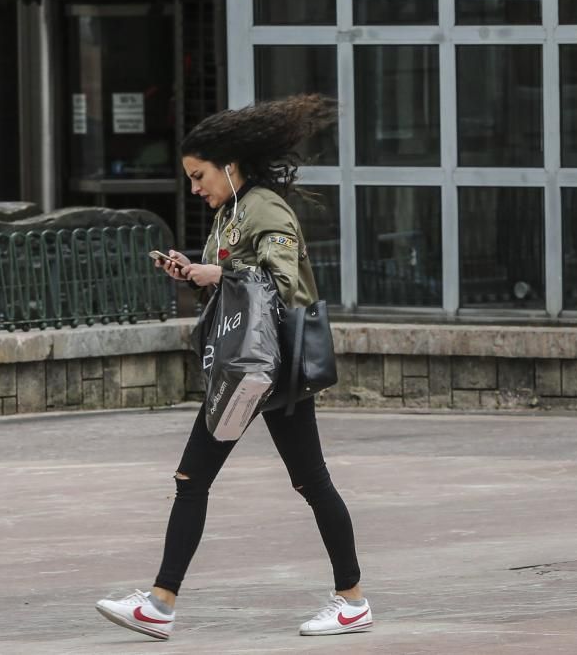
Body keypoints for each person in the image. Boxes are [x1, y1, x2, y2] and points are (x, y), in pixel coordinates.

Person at [95, 95, 371, 640]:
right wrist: (193, 271)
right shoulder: (231, 212)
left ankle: (163, 603)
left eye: (200, 176)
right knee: (276, 480)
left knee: (226, 479)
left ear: (228, 164)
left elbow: (281, 277)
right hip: (245, 364)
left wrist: (211, 274)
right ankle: (348, 600)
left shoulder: (264, 207)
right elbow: (236, 280)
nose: (196, 188)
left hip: (268, 367)